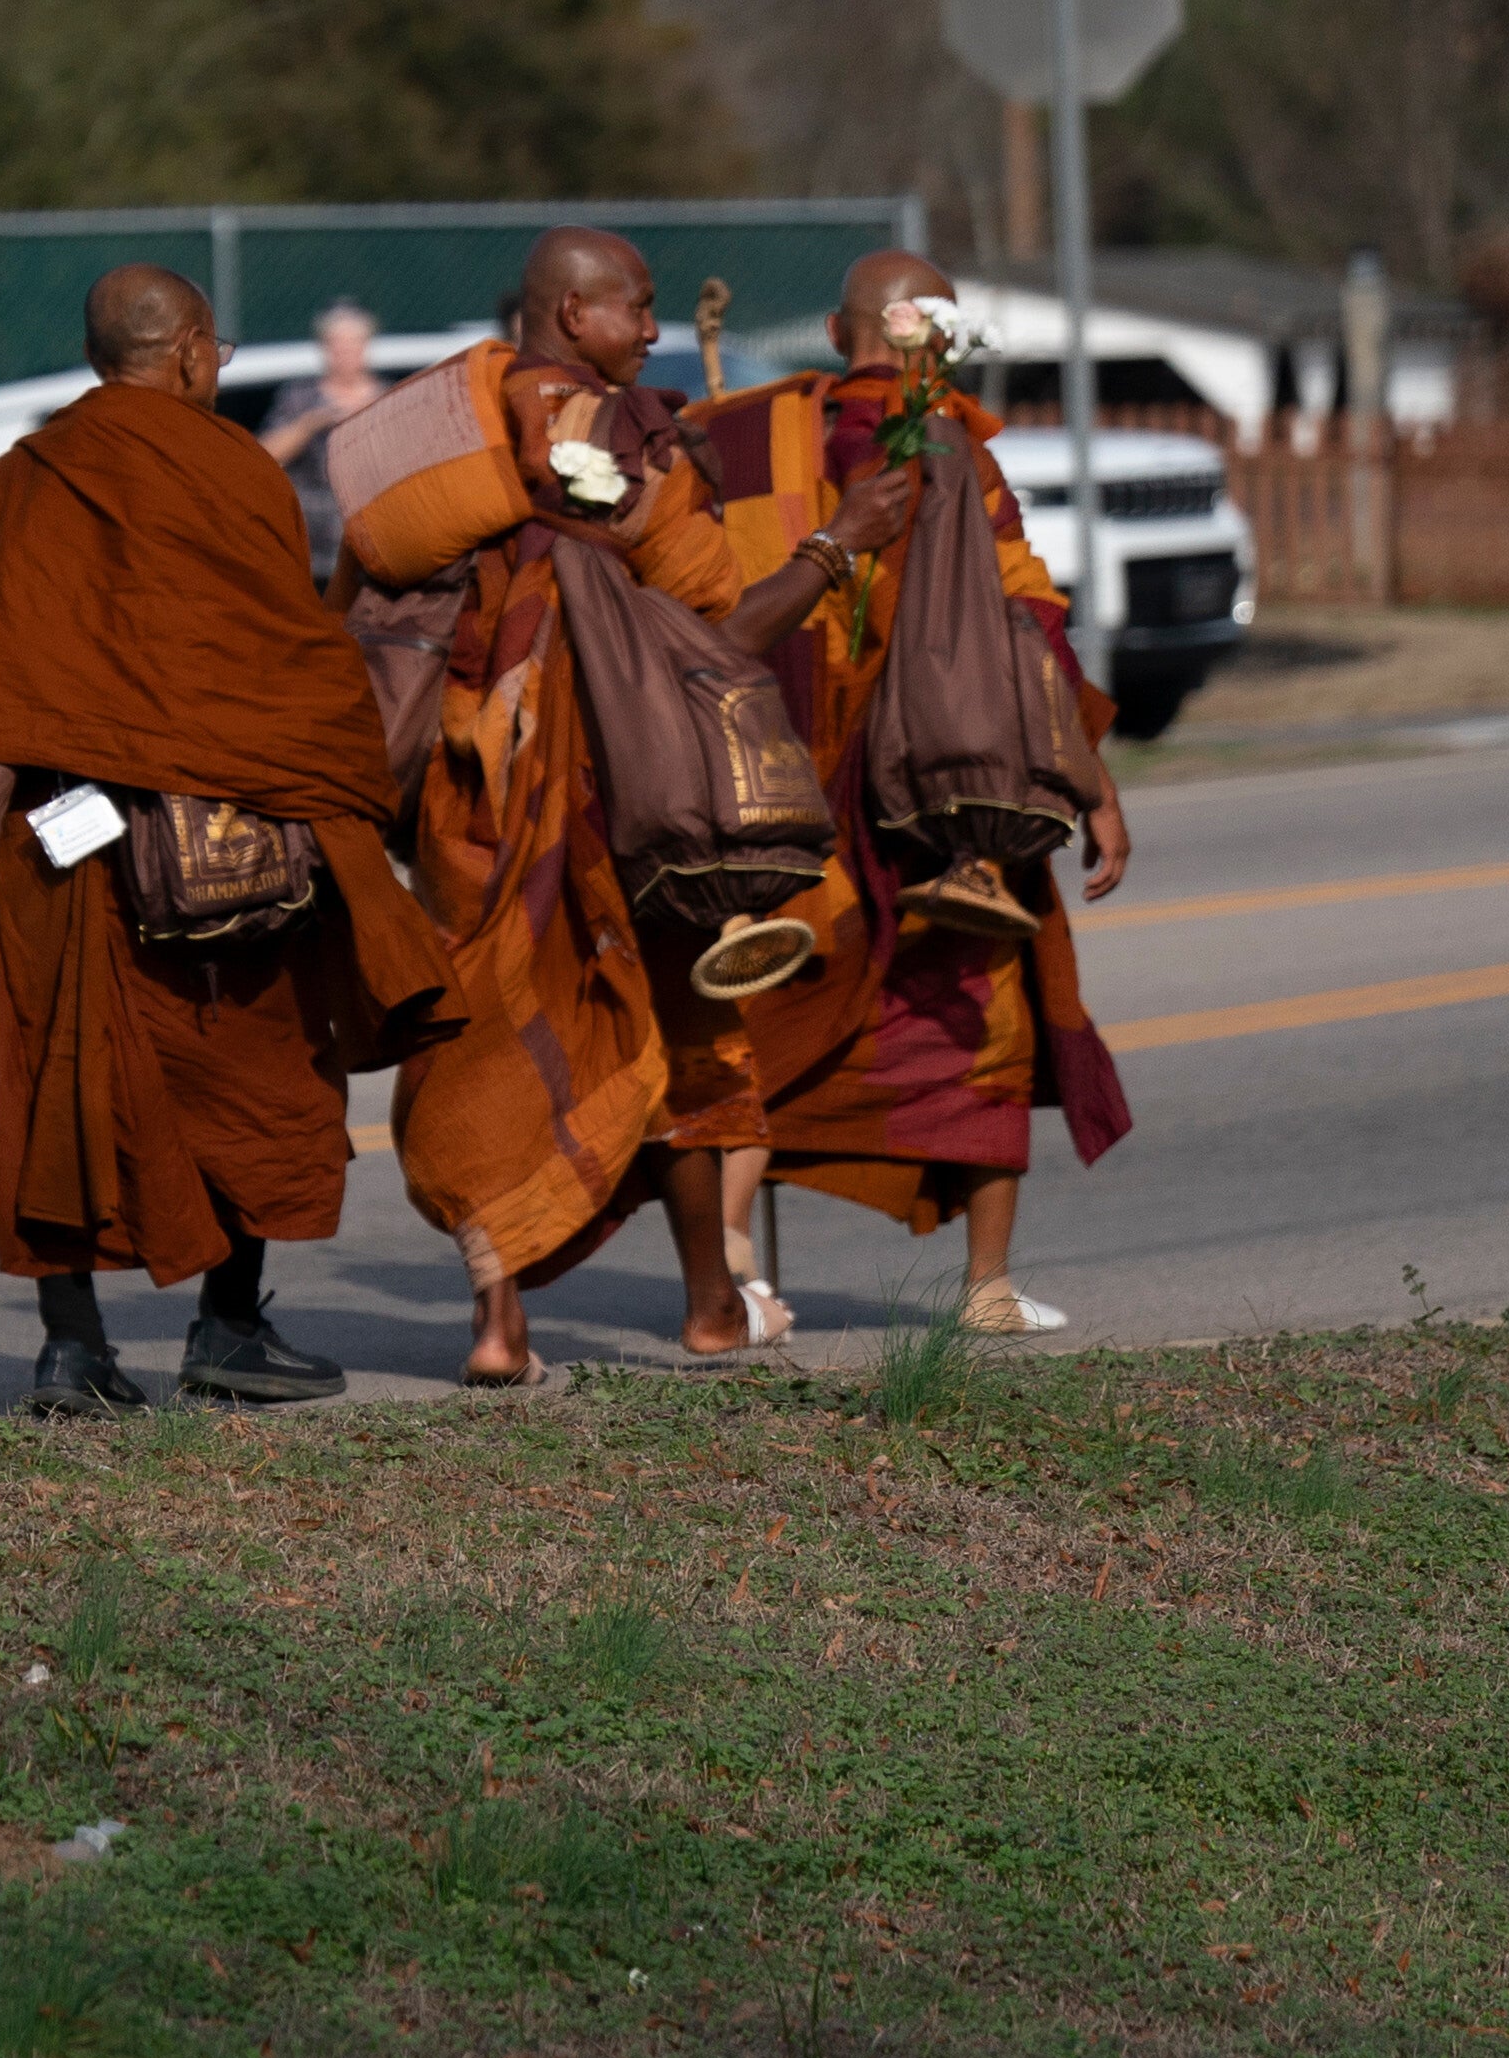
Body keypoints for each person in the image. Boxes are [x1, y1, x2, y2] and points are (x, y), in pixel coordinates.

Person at [0, 266, 447, 1411]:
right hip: (212, 841)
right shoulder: (225, 472)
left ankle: (71, 1346)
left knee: (51, 1073)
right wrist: (343, 782)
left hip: (46, 850)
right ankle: (225, 1328)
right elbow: (276, 659)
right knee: (250, 1063)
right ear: (194, 351)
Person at [359, 227, 901, 1386]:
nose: (652, 333)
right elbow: (721, 633)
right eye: (637, 309)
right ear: (570, 313)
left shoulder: (441, 442)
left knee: (486, 1031)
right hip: (616, 797)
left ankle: (497, 1325)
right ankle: (711, 1303)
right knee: (681, 1033)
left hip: (465, 800)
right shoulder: (623, 439)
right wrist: (834, 543)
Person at [681, 252, 1135, 1335]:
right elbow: (1029, 627)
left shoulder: (745, 438)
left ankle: (734, 1260)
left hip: (787, 784)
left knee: (763, 1015)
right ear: (937, 336)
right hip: (948, 794)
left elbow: (699, 601)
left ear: (841, 337)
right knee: (981, 1018)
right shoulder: (953, 449)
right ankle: (983, 1286)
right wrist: (1090, 782)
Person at [256, 299, 393, 576]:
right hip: (312, 553)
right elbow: (262, 455)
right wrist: (309, 425)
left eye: (353, 344)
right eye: (336, 345)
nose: (344, 353)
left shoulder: (389, 398)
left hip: (378, 547)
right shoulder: (298, 398)